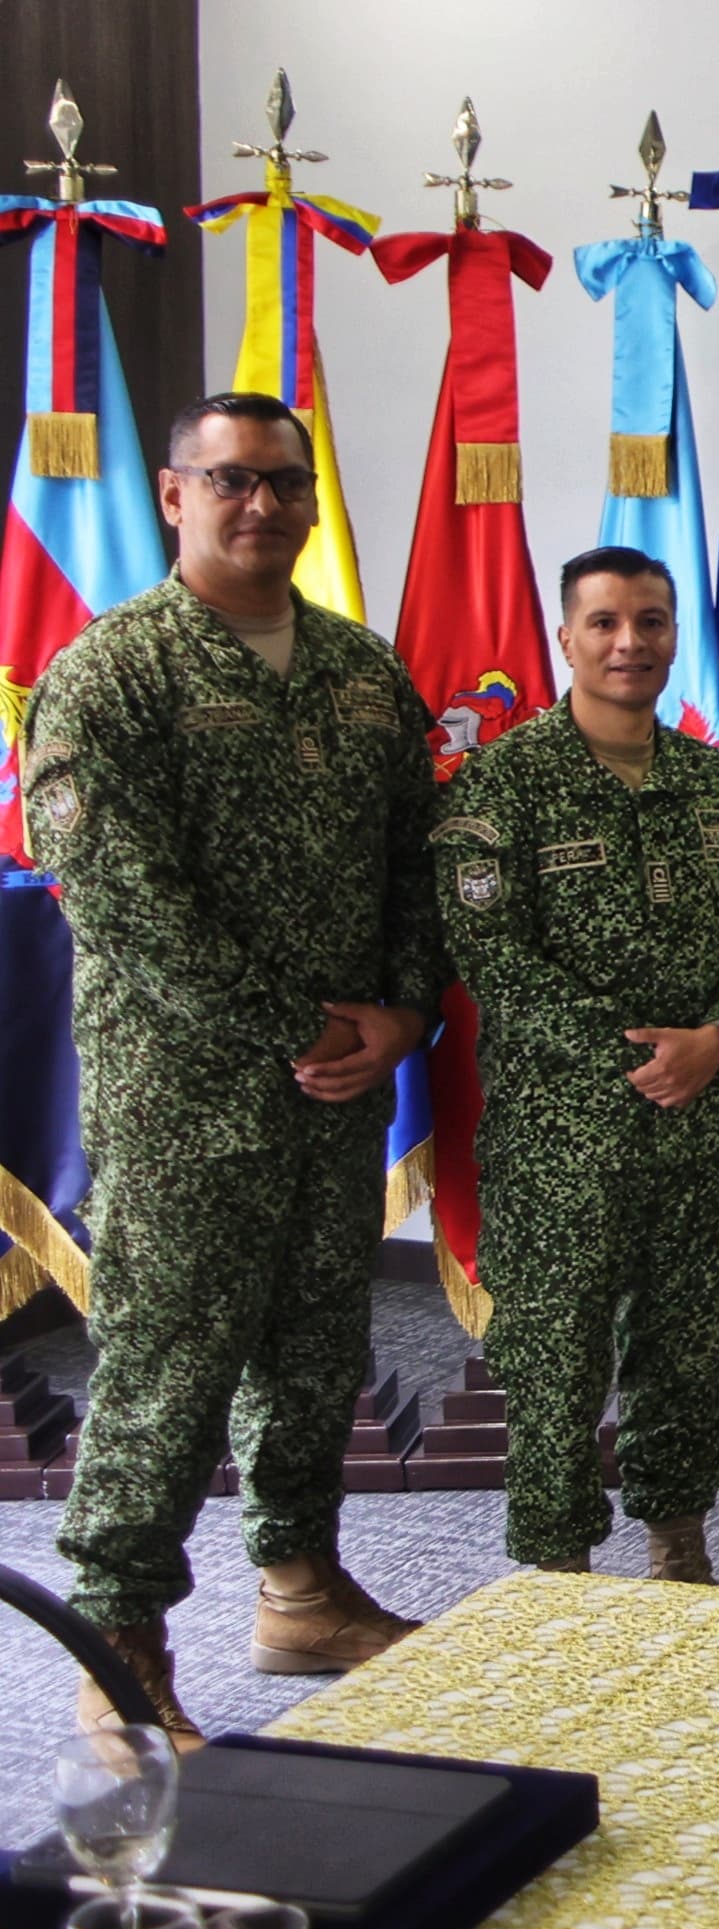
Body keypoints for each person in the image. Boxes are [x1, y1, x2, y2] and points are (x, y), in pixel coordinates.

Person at [31, 391, 442, 1741]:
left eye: (281, 482)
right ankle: (118, 1649)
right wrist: (299, 1027)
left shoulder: (363, 673)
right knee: (165, 1363)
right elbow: (124, 894)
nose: (258, 505)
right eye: (229, 482)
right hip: (183, 1097)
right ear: (172, 495)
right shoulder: (113, 673)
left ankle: (299, 1586)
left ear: (309, 499)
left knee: (316, 1348)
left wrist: (400, 1011)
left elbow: (419, 868)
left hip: (339, 1087)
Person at [432, 547, 719, 1585]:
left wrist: (714, 1040)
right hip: (562, 1145)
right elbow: (490, 954)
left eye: (651, 620)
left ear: (676, 633)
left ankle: (677, 1551)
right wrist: (637, 1055)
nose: (630, 642)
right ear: (566, 639)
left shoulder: (708, 780)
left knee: (687, 1349)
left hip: (688, 1133)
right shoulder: (508, 780)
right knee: (556, 1365)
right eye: (605, 624)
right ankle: (555, 1578)